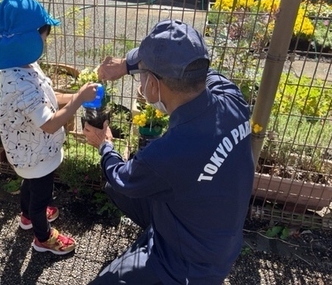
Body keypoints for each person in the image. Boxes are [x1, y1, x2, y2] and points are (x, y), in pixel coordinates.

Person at [83, 19, 255, 284]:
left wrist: (105, 145)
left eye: (141, 73)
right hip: (219, 234)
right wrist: (127, 65)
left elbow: (122, 177)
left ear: (152, 84)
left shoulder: (170, 152)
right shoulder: (230, 96)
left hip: (187, 263)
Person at [0, 0, 98, 255]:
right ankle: (43, 237)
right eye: (44, 36)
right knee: (41, 195)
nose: (45, 41)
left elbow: (46, 96)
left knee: (29, 184)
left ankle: (26, 215)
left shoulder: (20, 66)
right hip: (36, 151)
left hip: (26, 150)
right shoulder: (20, 83)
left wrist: (75, 96)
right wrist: (79, 100)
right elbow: (48, 123)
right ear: (29, 39)